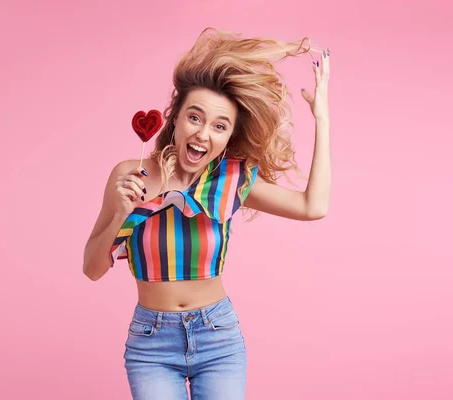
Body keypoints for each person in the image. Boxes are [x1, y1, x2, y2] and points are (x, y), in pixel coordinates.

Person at [83, 27, 331, 400]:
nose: (203, 134)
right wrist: (121, 212)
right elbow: (92, 269)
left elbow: (314, 207)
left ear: (229, 137)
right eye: (194, 118)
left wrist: (323, 120)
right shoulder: (129, 176)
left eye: (220, 126)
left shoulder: (232, 179)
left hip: (217, 336)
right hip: (151, 344)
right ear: (176, 118)